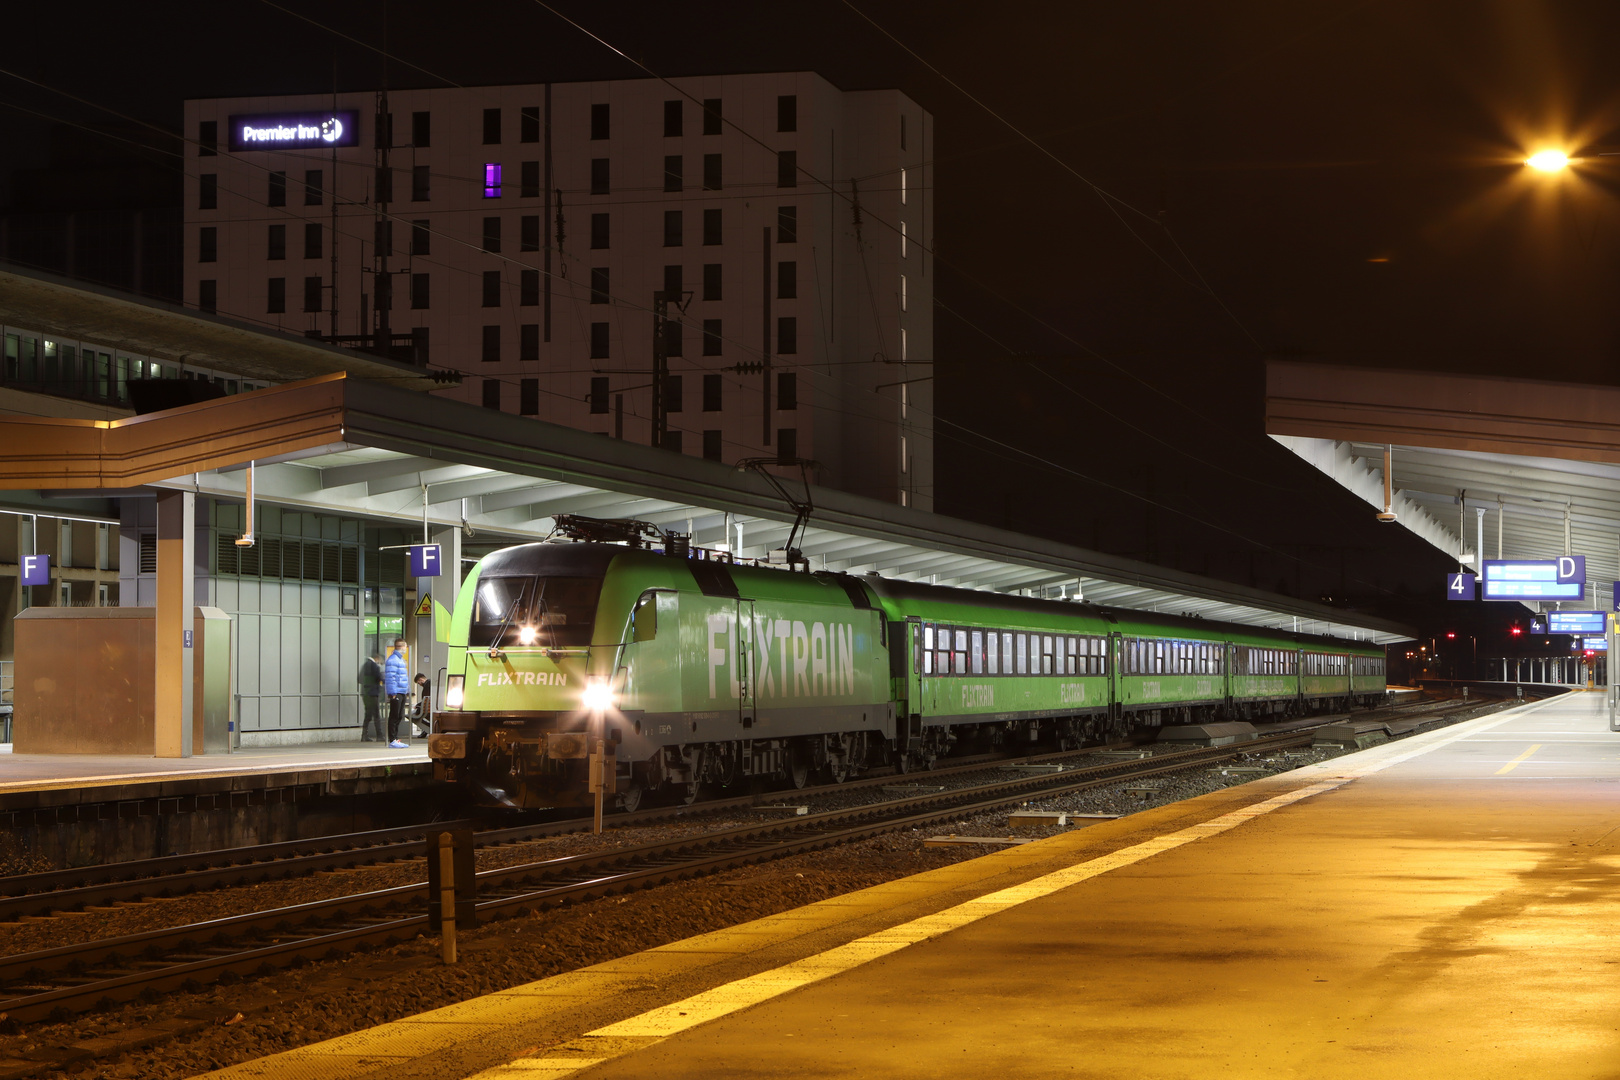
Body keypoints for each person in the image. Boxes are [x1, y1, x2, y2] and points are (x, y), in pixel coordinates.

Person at [385, 638, 411, 748]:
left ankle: (395, 739)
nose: (405, 649)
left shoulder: (400, 660)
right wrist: (392, 692)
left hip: (402, 691)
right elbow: (390, 677)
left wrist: (407, 690)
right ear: (402, 647)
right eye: (405, 647)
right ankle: (392, 740)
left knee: (399, 716)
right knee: (394, 716)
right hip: (397, 692)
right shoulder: (393, 660)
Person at [359, 653, 385, 742]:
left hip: (365, 693)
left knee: (368, 715)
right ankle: (379, 735)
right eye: (381, 661)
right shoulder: (374, 666)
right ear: (377, 658)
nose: (381, 663)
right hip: (373, 693)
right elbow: (379, 678)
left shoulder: (364, 665)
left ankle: (364, 735)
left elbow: (359, 679)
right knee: (376, 715)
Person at [411, 673, 433, 738]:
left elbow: (425, 700)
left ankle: (426, 731)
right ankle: (425, 731)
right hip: (428, 708)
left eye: (418, 683)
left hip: (426, 709)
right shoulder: (430, 683)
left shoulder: (427, 685)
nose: (419, 685)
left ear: (421, 679)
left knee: (413, 713)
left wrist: (417, 706)